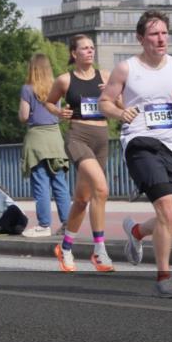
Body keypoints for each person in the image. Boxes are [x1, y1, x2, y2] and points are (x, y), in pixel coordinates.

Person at [100, 10, 172, 299]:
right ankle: (164, 278)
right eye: (154, 34)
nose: (161, 39)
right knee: (167, 208)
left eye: (165, 33)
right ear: (141, 38)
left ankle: (136, 232)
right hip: (140, 143)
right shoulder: (126, 68)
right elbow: (104, 102)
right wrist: (120, 113)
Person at [45, 35, 115, 272]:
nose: (90, 51)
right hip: (78, 137)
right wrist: (58, 112)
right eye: (85, 48)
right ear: (74, 53)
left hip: (102, 138)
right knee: (101, 189)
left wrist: (112, 95)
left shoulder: (106, 76)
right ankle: (100, 250)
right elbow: (49, 102)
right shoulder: (65, 80)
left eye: (92, 48)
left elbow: (121, 106)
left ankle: (65, 248)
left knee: (83, 199)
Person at [19, 53, 70, 238]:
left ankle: (44, 225)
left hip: (36, 139)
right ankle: (67, 224)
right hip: (55, 138)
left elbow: (24, 116)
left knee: (41, 183)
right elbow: (58, 114)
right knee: (60, 183)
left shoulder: (27, 89)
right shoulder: (56, 87)